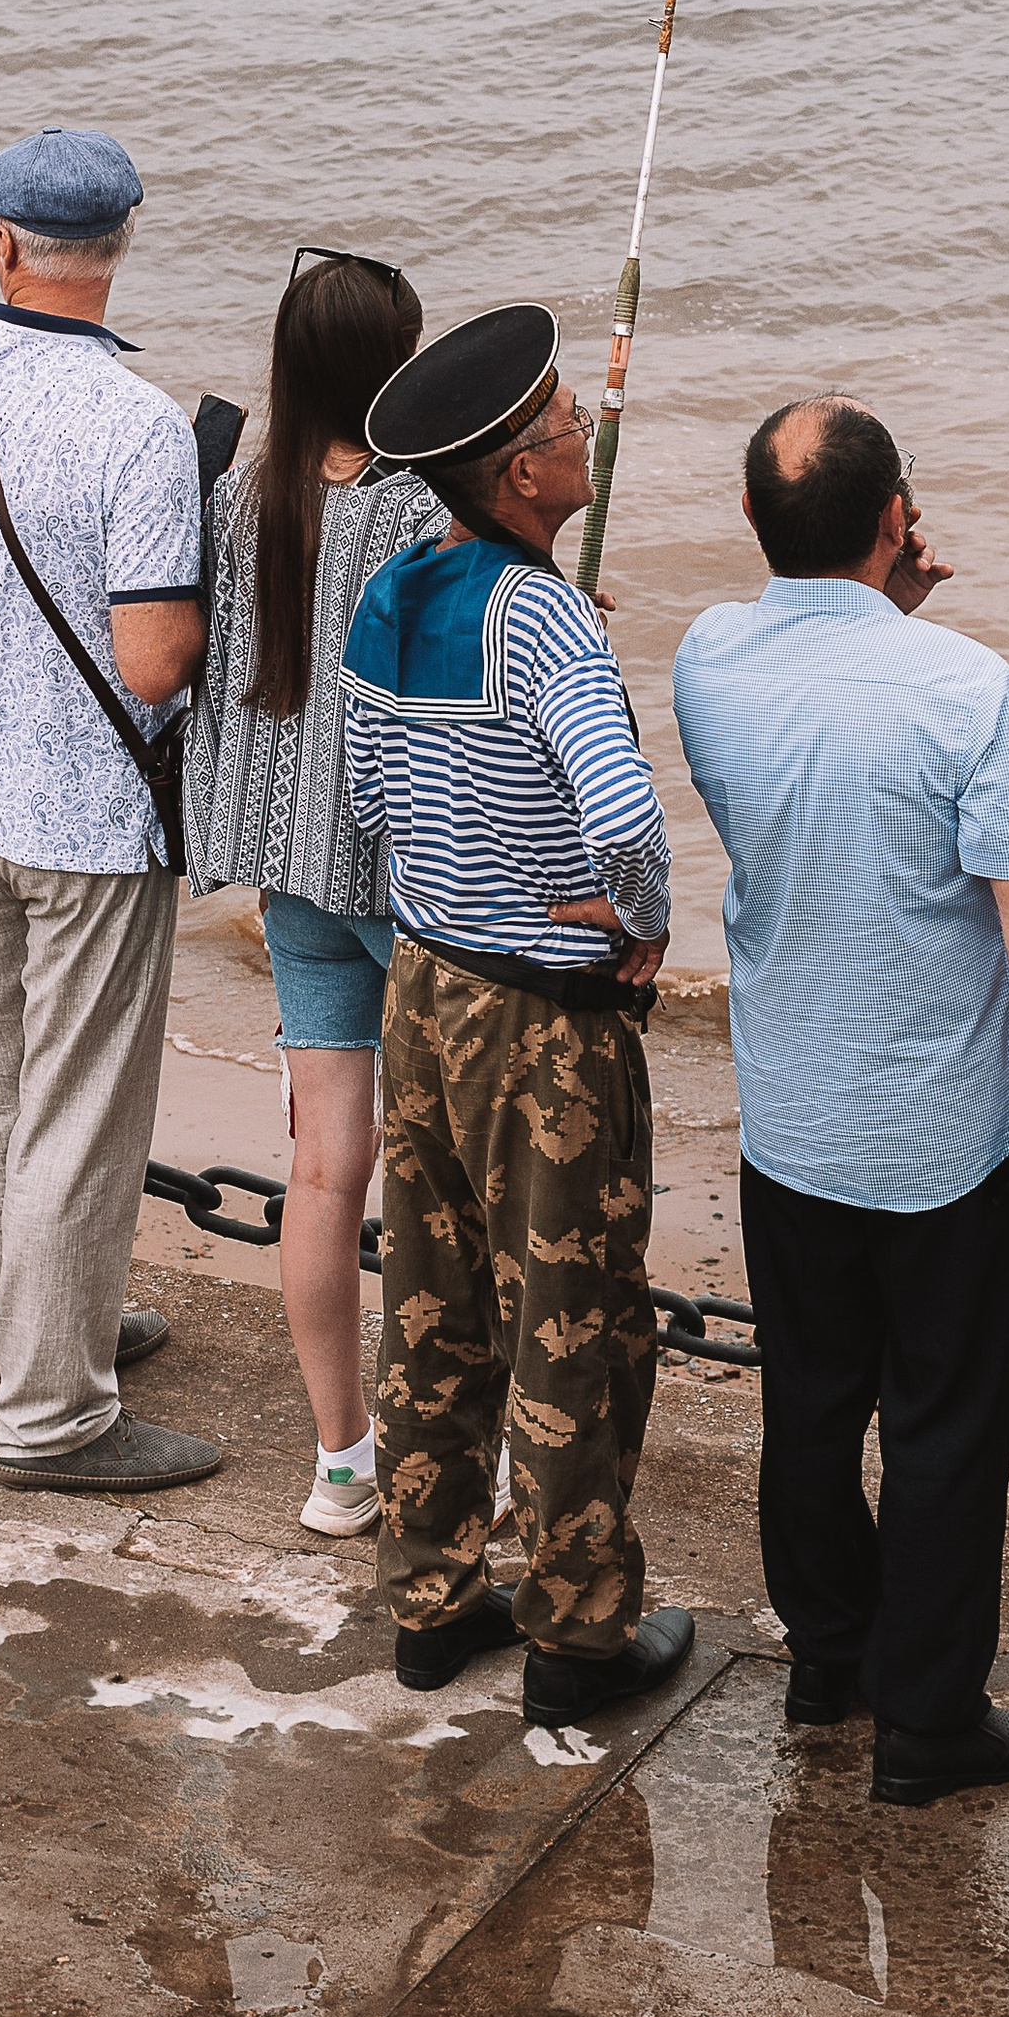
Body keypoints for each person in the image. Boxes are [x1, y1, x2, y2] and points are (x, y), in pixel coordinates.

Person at [673, 399, 1009, 1809]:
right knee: (942, 1421)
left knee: (810, 1401)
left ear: (751, 527)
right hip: (935, 1130)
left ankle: (828, 1655)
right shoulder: (967, 688)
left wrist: (882, 602)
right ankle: (926, 1720)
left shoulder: (708, 654)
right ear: (899, 519)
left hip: (793, 1102)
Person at [340, 303, 694, 1724]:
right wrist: (643, 916)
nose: (582, 431)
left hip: (423, 993)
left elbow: (369, 800)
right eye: (561, 424)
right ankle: (578, 1636)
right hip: (544, 1025)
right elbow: (621, 816)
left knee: (429, 1305)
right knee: (573, 1322)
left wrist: (456, 862)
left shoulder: (394, 592)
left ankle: (429, 1598)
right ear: (514, 478)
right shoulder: (542, 614)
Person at [0, 127, 218, 1494]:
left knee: (3, 1090)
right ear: (121, 252)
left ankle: (51, 1323)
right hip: (82, 817)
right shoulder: (141, 428)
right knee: (84, 1106)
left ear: (3, 245)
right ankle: (56, 1417)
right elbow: (151, 661)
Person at [182, 246, 444, 1534]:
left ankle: (342, 1457)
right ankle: (463, 1450)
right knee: (449, 1174)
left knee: (322, 1168)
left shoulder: (243, 492)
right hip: (403, 872)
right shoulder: (416, 511)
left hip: (287, 864)